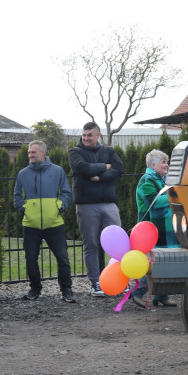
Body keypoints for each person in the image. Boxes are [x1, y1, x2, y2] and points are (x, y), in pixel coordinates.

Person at [13, 140, 75, 303]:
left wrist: (59, 207)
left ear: (42, 153)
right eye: (28, 152)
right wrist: (25, 209)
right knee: (30, 258)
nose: (30, 155)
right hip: (31, 225)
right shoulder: (22, 174)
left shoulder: (57, 171)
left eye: (33, 152)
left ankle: (66, 289)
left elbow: (67, 193)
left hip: (54, 223)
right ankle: (35, 288)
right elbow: (17, 196)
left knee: (62, 257)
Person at [68, 121, 124, 298]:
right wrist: (104, 166)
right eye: (84, 135)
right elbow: (81, 168)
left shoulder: (108, 151)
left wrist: (99, 177)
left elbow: (119, 169)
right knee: (91, 244)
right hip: (86, 205)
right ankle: (96, 283)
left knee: (118, 244)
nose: (85, 138)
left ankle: (117, 280)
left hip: (109, 203)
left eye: (89, 135)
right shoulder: (75, 152)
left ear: (97, 135)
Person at [136, 149, 178, 307]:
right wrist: (175, 193)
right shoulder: (146, 180)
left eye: (166, 162)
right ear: (153, 165)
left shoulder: (161, 179)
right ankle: (137, 292)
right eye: (163, 162)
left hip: (161, 226)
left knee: (162, 259)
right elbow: (152, 201)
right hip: (151, 228)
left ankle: (160, 295)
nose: (167, 165)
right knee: (153, 262)